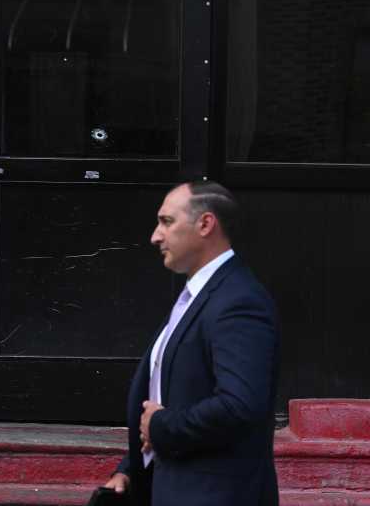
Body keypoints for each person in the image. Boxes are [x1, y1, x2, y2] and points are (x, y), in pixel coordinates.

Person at [102, 181, 280, 506]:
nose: (155, 236)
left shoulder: (238, 301)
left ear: (205, 224)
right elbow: (174, 391)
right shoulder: (196, 297)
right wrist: (131, 468)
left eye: (167, 222)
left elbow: (239, 406)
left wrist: (160, 426)